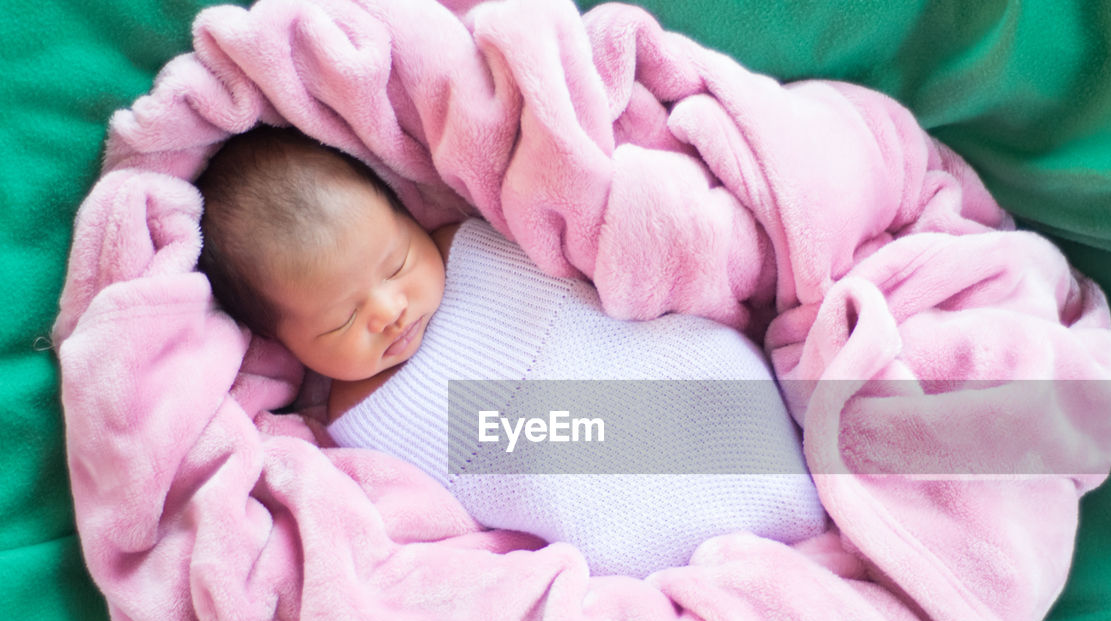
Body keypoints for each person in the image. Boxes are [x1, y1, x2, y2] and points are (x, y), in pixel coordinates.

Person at [198, 124, 827, 577]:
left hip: (679, 384)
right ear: (284, 340)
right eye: (341, 320)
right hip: (588, 497)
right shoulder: (350, 432)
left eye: (396, 265)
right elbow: (439, 537)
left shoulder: (472, 240)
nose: (389, 311)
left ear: (409, 218)